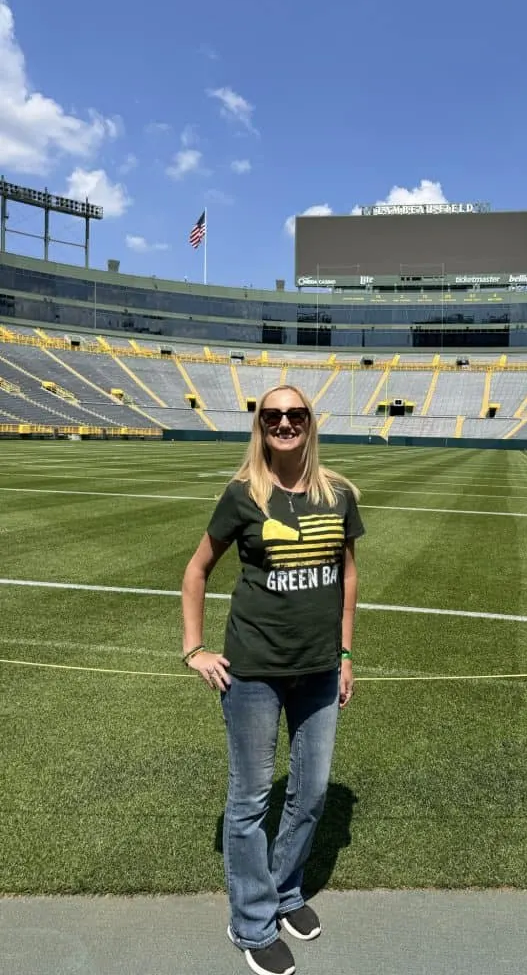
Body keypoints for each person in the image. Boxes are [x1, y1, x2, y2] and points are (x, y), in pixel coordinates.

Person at [181, 384, 364, 975]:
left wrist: (344, 652)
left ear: (312, 422)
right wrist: (194, 649)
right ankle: (251, 921)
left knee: (309, 796)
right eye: (272, 416)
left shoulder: (338, 494)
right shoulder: (242, 495)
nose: (285, 423)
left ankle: (285, 893)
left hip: (318, 671)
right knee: (251, 800)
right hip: (253, 672)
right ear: (260, 427)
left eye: (296, 414)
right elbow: (197, 569)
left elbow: (348, 576)